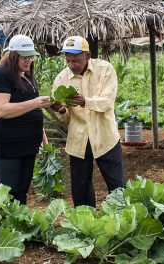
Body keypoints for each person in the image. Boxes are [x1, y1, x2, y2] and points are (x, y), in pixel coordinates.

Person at [50, 36, 126, 207]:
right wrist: (60, 109)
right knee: (80, 185)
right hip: (78, 138)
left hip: (105, 136)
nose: (71, 65)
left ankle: (123, 219)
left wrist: (86, 101)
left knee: (116, 183)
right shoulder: (62, 78)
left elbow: (107, 102)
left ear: (88, 56)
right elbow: (66, 114)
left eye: (76, 60)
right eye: (68, 61)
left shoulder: (105, 70)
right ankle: (85, 223)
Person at [0, 34, 51, 204]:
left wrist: (44, 140)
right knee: (8, 192)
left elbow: (32, 111)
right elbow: (1, 110)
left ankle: (19, 229)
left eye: (31, 57)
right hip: (7, 144)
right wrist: (35, 102)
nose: (28, 61)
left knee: (21, 191)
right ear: (12, 54)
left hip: (27, 145)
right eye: (23, 57)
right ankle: (5, 229)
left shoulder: (25, 75)